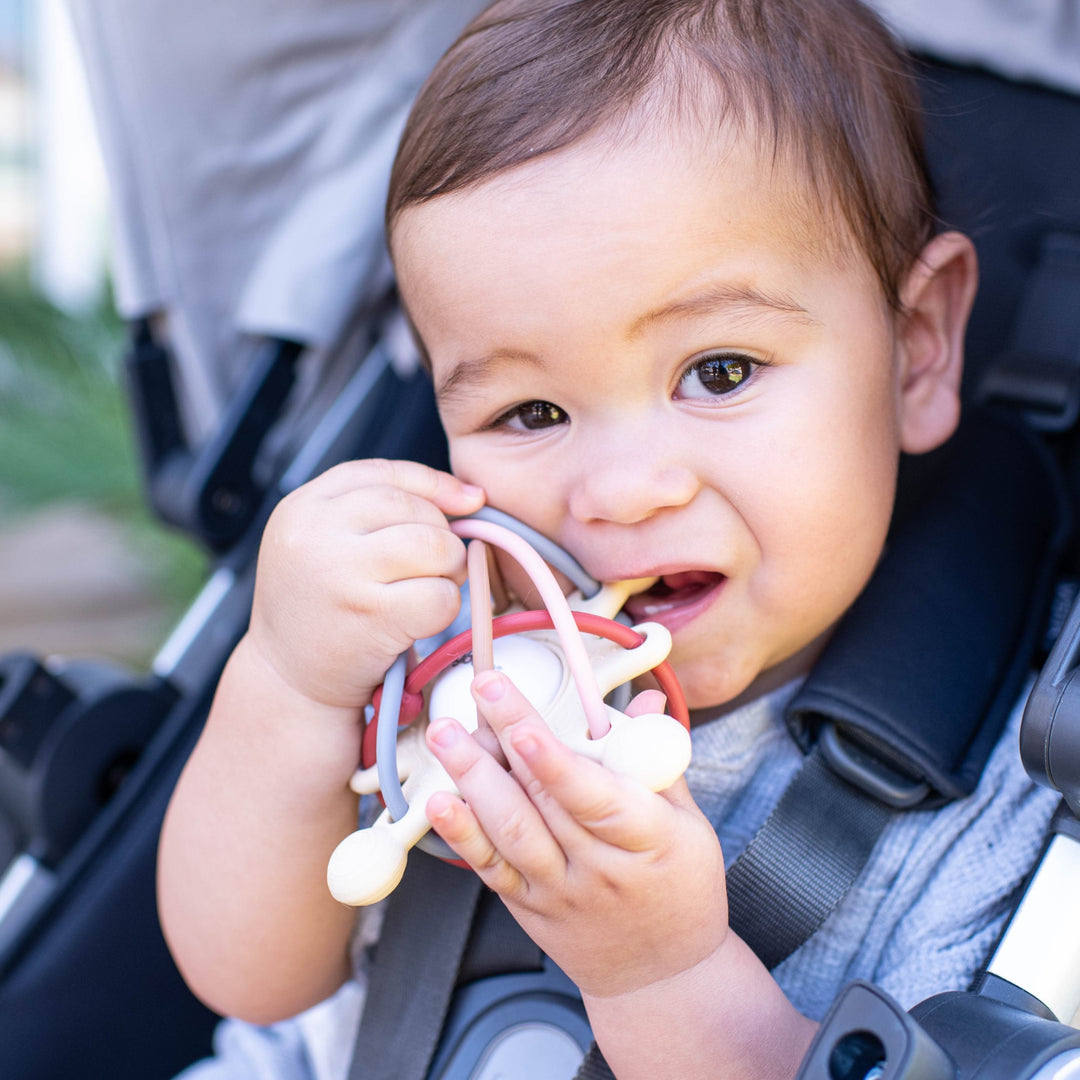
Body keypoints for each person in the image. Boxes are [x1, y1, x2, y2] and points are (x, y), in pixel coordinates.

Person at [157, 1, 1061, 1077]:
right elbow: (249, 978)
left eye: (719, 372)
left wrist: (661, 974)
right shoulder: (432, 645)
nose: (622, 495)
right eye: (530, 415)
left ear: (913, 351)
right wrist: (289, 688)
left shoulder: (1032, 764)